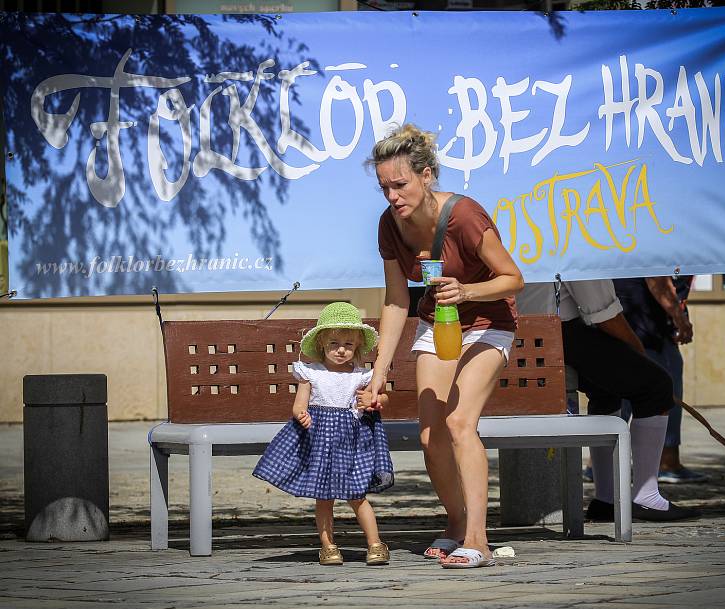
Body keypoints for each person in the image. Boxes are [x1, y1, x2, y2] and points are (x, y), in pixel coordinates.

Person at [364, 124, 524, 568]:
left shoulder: (465, 214)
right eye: (385, 188)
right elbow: (398, 300)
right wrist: (379, 372)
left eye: (400, 184)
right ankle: (456, 524)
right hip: (439, 323)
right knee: (430, 433)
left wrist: (467, 291)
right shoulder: (388, 226)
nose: (393, 196)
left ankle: (479, 540)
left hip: (489, 320)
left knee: (458, 422)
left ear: (427, 175)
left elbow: (513, 278)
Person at [516, 280, 700, 522]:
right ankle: (646, 497)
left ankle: (607, 500)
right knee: (657, 385)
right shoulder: (579, 245)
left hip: (529, 336)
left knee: (605, 389)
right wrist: (638, 353)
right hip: (559, 333)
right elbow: (604, 313)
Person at [252, 301, 393, 566]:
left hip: (352, 443)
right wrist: (301, 414)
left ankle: (375, 544)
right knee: (324, 496)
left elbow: (381, 398)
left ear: (358, 346)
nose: (341, 350)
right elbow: (299, 404)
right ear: (321, 345)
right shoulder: (311, 373)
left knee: (357, 494)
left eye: (348, 345)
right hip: (320, 441)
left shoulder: (362, 376)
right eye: (334, 344)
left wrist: (372, 402)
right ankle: (328, 546)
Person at [614, 276, 708, 483]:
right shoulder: (655, 245)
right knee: (666, 387)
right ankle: (667, 462)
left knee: (623, 397)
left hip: (626, 325)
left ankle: (602, 465)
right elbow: (657, 280)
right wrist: (680, 318)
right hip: (647, 331)